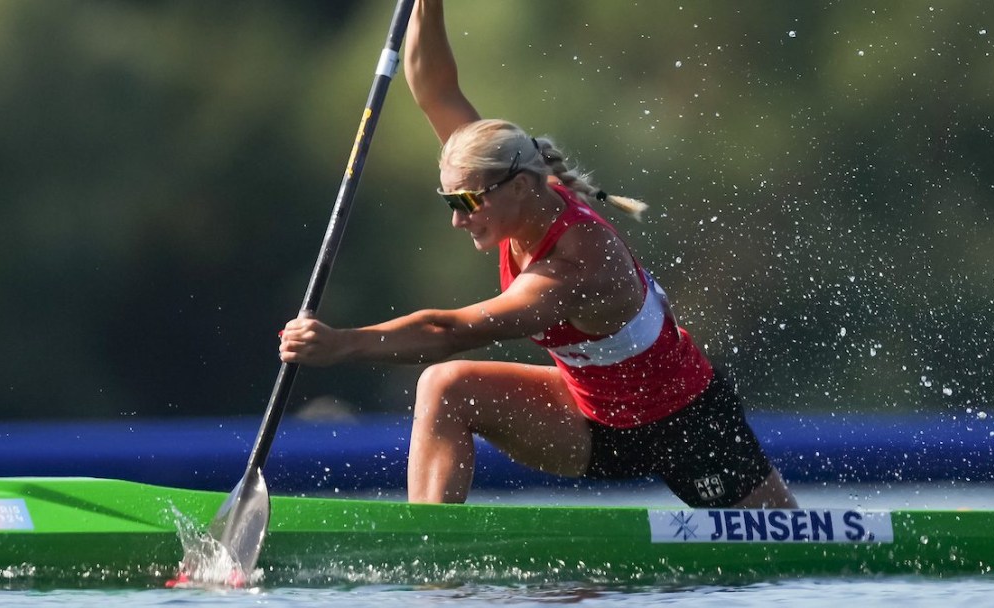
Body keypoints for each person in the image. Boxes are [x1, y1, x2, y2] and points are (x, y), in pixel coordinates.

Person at [279, 0, 796, 509]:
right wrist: (427, 6)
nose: (458, 218)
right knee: (447, 386)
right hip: (590, 420)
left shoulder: (579, 262)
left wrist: (342, 344)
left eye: (466, 201)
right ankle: (431, 549)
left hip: (685, 425)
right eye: (449, 201)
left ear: (523, 187)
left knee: (785, 551)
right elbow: (432, 86)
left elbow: (452, 330)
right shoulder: (510, 194)